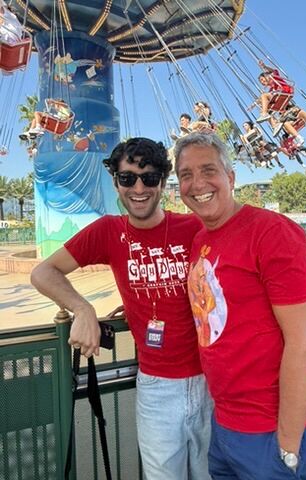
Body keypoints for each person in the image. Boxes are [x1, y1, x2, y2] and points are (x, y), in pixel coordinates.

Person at [31, 137, 212, 480]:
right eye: (127, 178)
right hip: (157, 387)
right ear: (115, 182)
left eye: (149, 177)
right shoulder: (108, 232)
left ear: (163, 181)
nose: (139, 187)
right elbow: (43, 273)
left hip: (213, 380)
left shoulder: (194, 228)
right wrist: (82, 309)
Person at [174, 132, 306, 480]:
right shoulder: (201, 238)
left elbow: (303, 344)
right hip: (226, 424)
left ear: (230, 177)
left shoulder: (272, 233)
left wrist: (288, 445)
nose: (197, 183)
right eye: (186, 175)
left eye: (208, 170)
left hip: (271, 432)